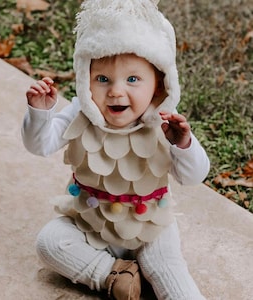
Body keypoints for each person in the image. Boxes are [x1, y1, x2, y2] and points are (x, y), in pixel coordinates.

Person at [21, 0, 210, 299]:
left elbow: (194, 176)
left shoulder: (164, 123)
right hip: (90, 223)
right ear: (85, 80)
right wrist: (39, 114)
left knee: (168, 269)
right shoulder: (79, 113)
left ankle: (155, 275)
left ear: (159, 85)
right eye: (102, 79)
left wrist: (183, 144)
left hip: (150, 224)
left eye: (133, 79)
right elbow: (39, 145)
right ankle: (114, 275)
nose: (116, 91)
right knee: (50, 242)